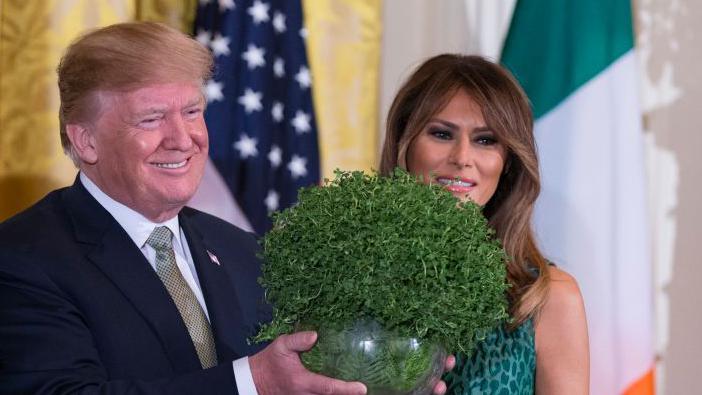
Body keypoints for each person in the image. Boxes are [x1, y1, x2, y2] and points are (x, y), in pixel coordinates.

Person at [0, 22, 375, 395]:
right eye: (151, 119)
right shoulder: (23, 259)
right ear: (86, 140)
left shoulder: (242, 250)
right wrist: (251, 381)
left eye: (193, 112)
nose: (183, 139)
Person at [380, 54, 590, 394]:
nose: (462, 158)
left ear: (507, 160)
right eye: (441, 133)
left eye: (485, 140)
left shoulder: (547, 298)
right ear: (404, 145)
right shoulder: (351, 279)